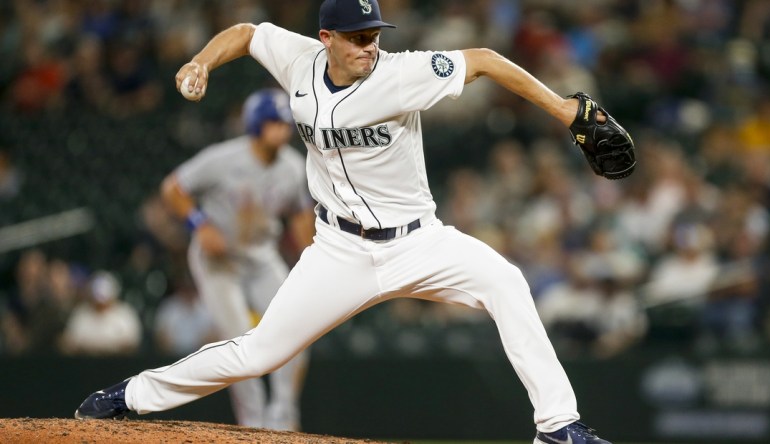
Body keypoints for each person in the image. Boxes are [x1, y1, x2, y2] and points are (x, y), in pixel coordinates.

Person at [75, 1, 612, 442]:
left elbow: (487, 60)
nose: (369, 46)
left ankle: (558, 428)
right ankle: (129, 396)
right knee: (259, 352)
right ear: (327, 38)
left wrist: (564, 110)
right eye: (357, 37)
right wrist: (200, 62)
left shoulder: (403, 73)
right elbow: (245, 32)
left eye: (374, 34)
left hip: (419, 242)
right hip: (339, 252)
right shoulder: (299, 62)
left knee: (506, 281)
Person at [157, 88, 315, 430]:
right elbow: (172, 188)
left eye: (285, 123)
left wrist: (313, 260)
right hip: (218, 263)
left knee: (297, 328)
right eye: (275, 122)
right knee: (239, 343)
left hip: (260, 258)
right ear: (256, 124)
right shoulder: (223, 158)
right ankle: (253, 424)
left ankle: (283, 416)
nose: (282, 130)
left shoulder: (292, 167)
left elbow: (302, 218)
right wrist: (198, 224)